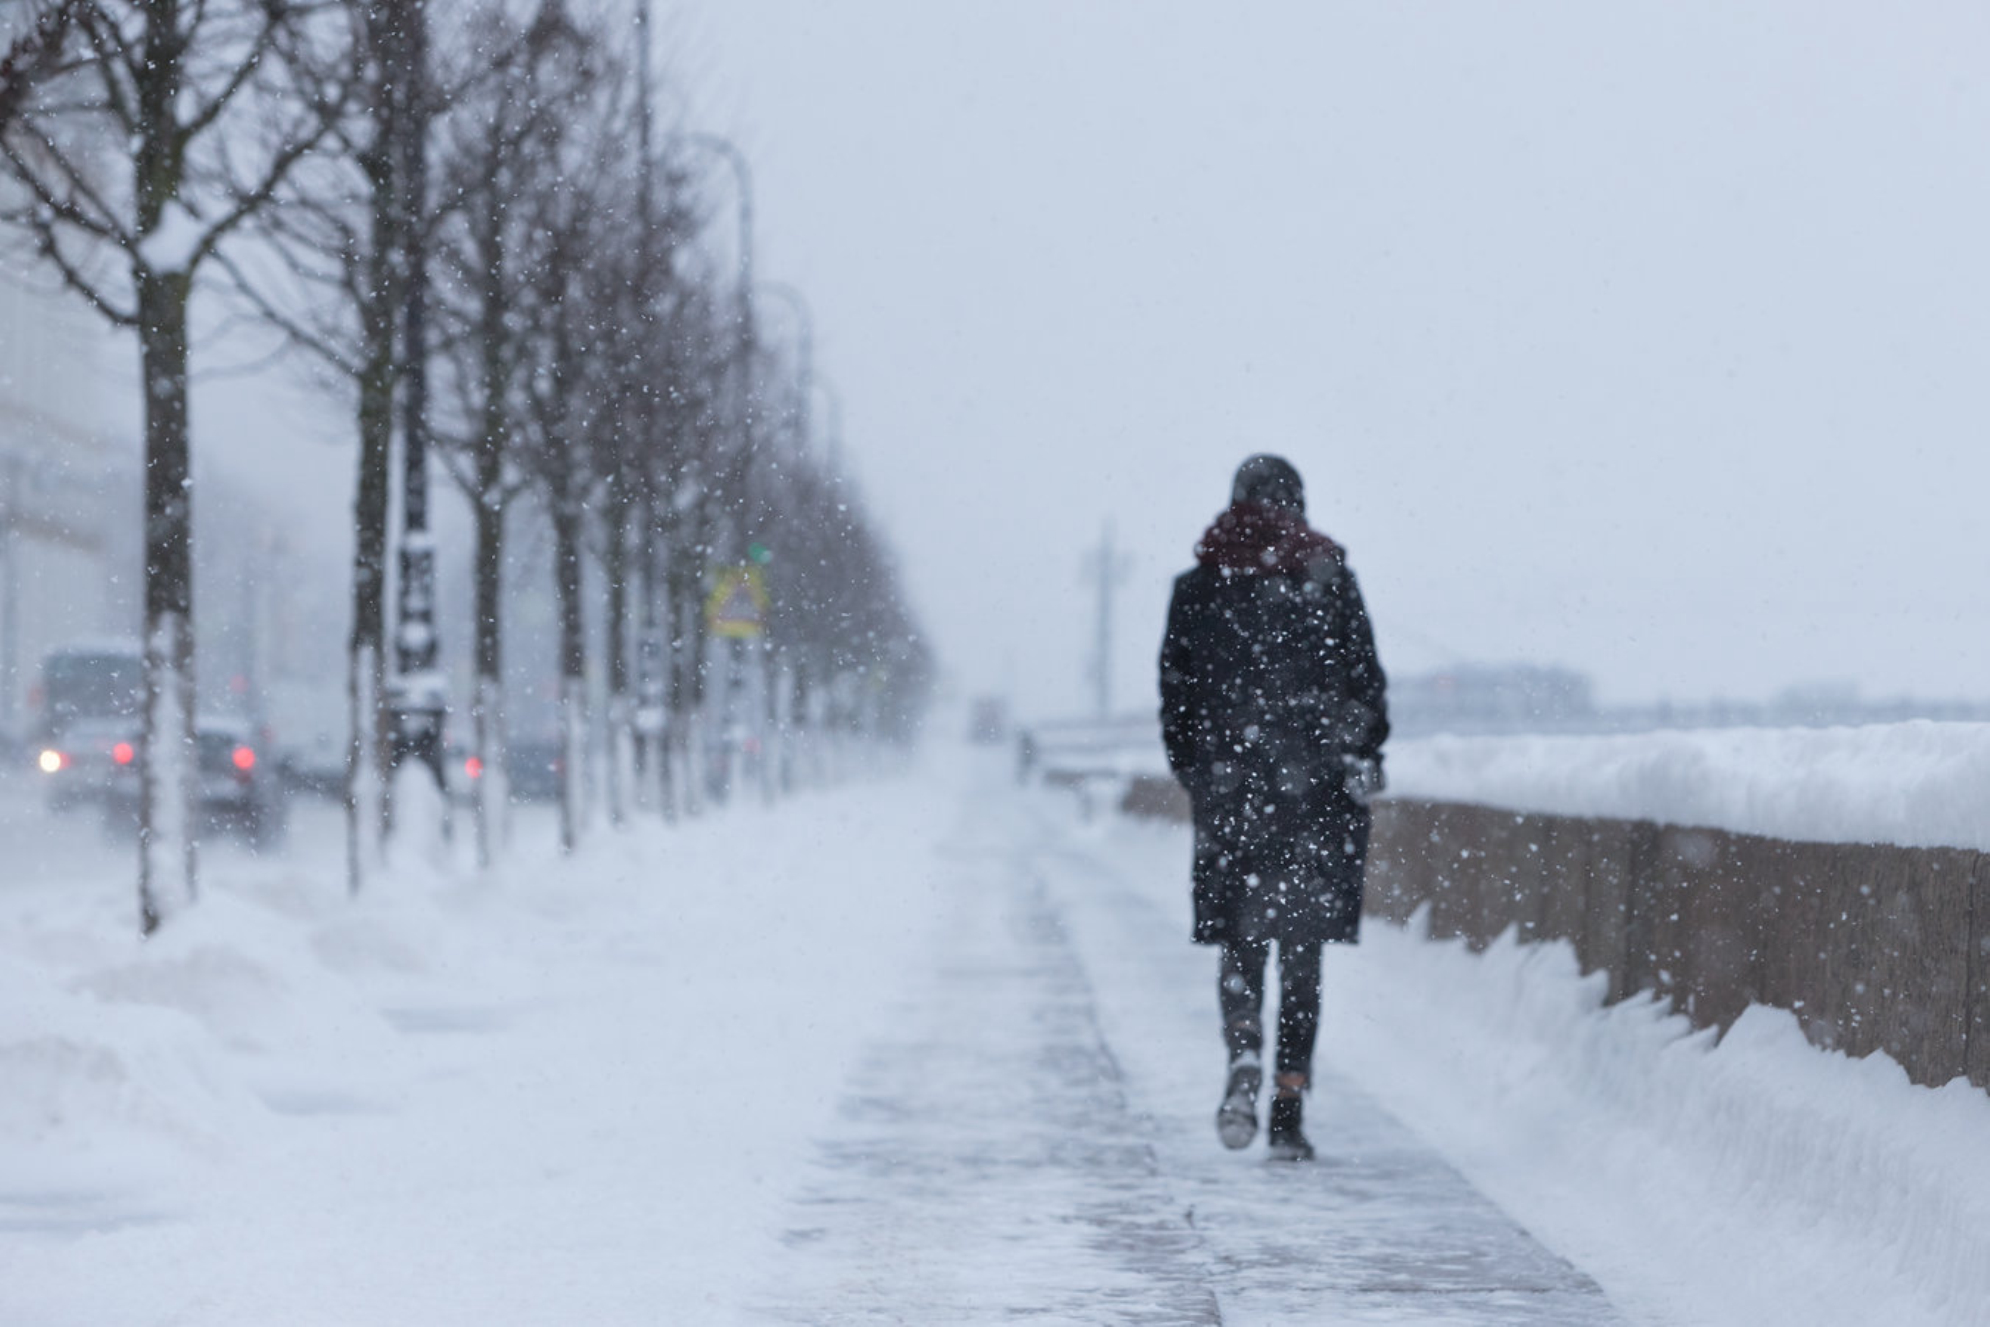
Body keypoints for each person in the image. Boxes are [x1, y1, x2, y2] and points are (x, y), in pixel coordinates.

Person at [1159, 455, 1388, 1161]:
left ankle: (1243, 1053)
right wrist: (1350, 746)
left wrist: (1203, 773)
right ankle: (1288, 1105)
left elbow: (1177, 699)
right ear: (1298, 503)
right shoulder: (1328, 578)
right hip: (1314, 795)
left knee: (1241, 940)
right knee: (1302, 953)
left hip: (1233, 795)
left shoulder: (1198, 587)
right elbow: (1368, 692)